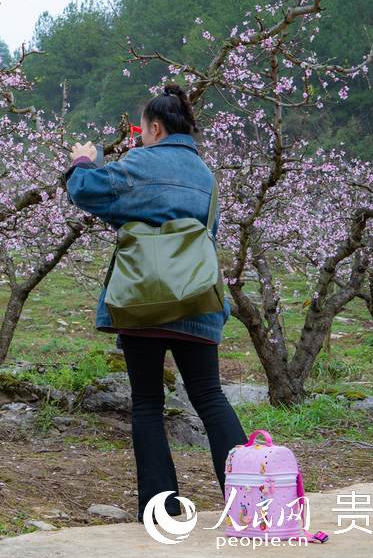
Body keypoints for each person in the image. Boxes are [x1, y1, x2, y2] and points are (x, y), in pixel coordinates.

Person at [65, 84, 247, 521]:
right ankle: (249, 497)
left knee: (147, 402)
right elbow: (209, 232)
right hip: (197, 301)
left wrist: (83, 160)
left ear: (156, 127)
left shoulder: (140, 162)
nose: (141, 136)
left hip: (142, 301)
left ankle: (160, 507)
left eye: (143, 129)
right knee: (210, 397)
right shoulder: (206, 175)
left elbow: (87, 191)